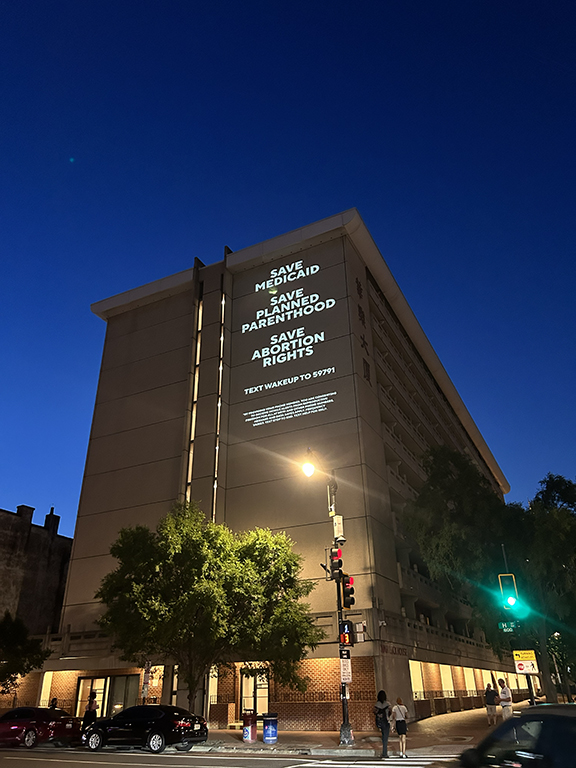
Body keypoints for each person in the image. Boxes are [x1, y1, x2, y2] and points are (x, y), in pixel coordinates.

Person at [374, 690, 391, 758]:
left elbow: (374, 712)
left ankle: (384, 752)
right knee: (385, 738)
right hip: (386, 722)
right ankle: (385, 753)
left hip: (380, 722)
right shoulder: (387, 704)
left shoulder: (377, 704)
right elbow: (390, 712)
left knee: (383, 737)